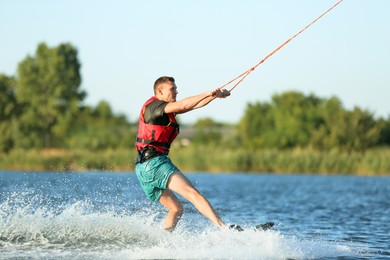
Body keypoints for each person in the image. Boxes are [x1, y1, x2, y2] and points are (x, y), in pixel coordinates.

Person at [135, 76, 230, 231]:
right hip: (155, 163)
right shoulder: (154, 107)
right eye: (172, 89)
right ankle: (225, 229)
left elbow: (190, 106)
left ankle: (163, 241)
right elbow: (184, 104)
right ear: (160, 91)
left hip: (143, 169)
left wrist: (214, 96)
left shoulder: (163, 110)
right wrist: (207, 92)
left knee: (176, 209)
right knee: (192, 193)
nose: (176, 91)